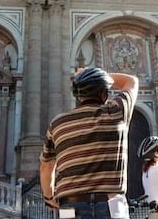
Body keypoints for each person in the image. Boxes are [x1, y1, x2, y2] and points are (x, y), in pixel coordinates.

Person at [39, 67, 139, 219]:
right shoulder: (116, 112)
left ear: (77, 94)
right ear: (104, 94)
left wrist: (48, 197)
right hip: (111, 205)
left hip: (69, 206)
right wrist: (95, 75)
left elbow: (46, 167)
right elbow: (131, 81)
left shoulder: (57, 124)